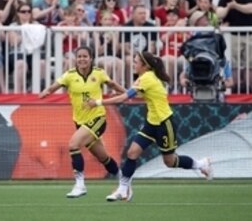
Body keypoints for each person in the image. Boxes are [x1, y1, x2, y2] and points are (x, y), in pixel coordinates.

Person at [86, 51, 213, 202]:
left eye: (136, 62)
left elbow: (124, 98)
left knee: (170, 161)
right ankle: (123, 189)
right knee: (132, 153)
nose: (133, 64)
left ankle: (201, 164)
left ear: (144, 66)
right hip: (151, 123)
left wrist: (98, 102)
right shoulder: (144, 78)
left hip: (164, 123)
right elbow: (129, 94)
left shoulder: (146, 78)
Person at [39, 46, 126, 198]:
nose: (82, 59)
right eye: (79, 56)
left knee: (73, 144)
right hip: (80, 122)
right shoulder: (70, 75)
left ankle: (80, 185)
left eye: (85, 56)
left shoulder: (98, 73)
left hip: (98, 119)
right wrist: (47, 91)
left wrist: (125, 93)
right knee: (103, 157)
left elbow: (111, 84)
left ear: (91, 58)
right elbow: (56, 85)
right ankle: (124, 181)